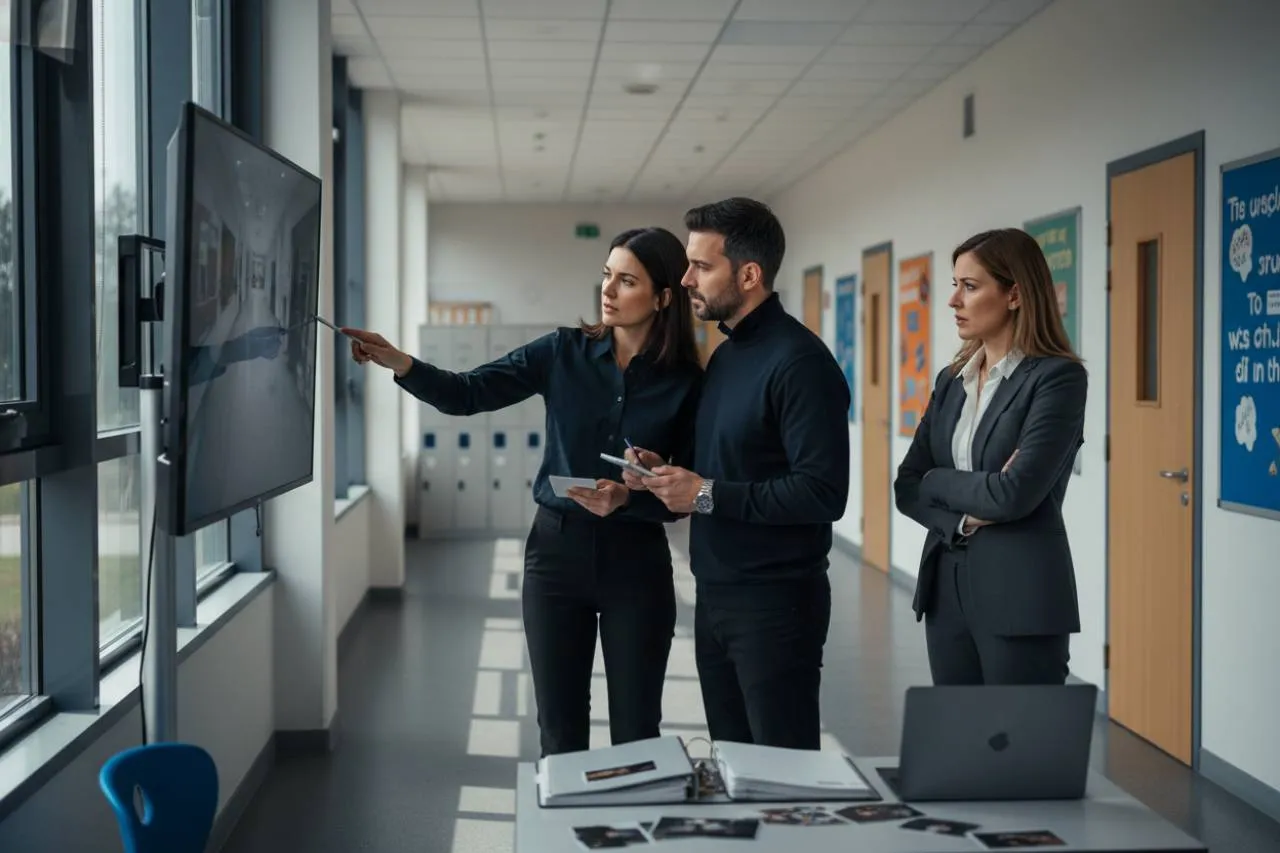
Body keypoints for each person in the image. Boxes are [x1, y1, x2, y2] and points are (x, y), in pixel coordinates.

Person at [343, 227, 703, 756]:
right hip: (557, 556)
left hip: (637, 562)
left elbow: (686, 490)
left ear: (663, 297)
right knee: (558, 728)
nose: (607, 290)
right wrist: (400, 362)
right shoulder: (562, 352)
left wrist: (632, 496)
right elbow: (468, 393)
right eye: (606, 274)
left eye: (627, 281)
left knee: (637, 730)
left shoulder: (687, 383)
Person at [623, 198, 850, 750]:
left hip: (777, 605)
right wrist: (665, 475)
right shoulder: (726, 355)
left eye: (701, 266)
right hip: (717, 593)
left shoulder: (800, 363)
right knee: (733, 761)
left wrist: (703, 494)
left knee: (783, 775)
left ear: (749, 275)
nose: (685, 278)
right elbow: (725, 469)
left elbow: (823, 492)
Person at [893, 228, 1087, 685]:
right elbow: (907, 485)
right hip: (947, 582)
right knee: (959, 742)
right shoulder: (952, 379)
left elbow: (1013, 494)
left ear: (1015, 294)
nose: (953, 300)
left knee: (1021, 746)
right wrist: (960, 516)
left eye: (970, 286)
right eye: (954, 285)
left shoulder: (1057, 380)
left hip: (1019, 592)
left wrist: (938, 481)